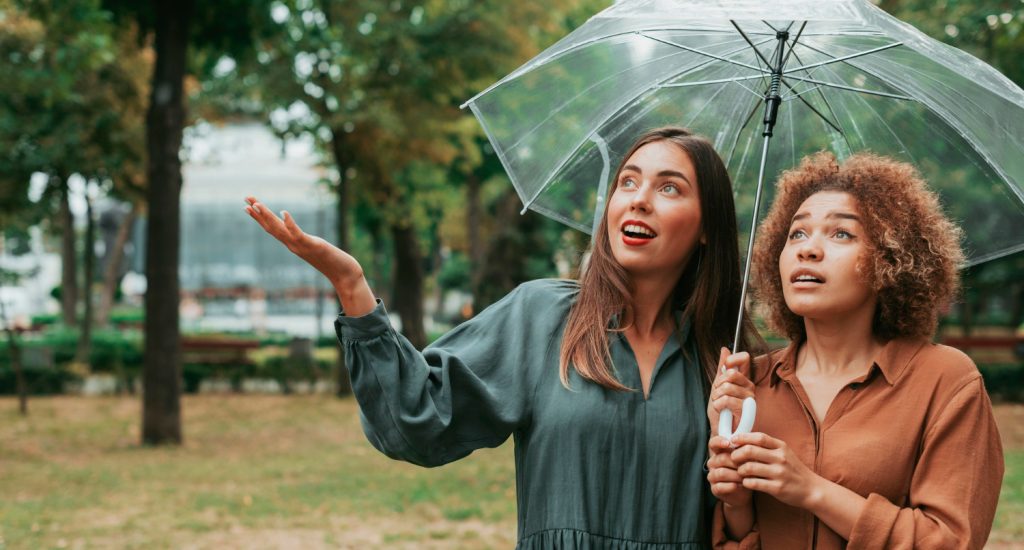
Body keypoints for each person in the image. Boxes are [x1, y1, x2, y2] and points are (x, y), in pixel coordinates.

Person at [245, 127, 759, 549]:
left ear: (707, 227)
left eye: (669, 188)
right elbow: (416, 419)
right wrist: (353, 287)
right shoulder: (544, 317)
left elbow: (748, 524)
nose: (639, 200)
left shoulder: (729, 363)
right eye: (628, 182)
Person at [706, 152, 1004, 549]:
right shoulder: (749, 387)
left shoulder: (946, 380)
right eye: (797, 233)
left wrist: (812, 491)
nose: (808, 250)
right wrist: (737, 506)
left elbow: (952, 541)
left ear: (891, 260)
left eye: (841, 234)